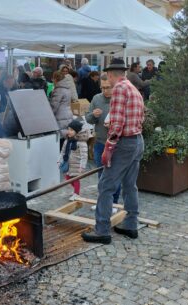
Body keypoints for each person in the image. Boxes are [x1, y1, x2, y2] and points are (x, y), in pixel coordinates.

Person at [82, 58, 144, 244]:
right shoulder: (133, 88)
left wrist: (109, 147)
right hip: (137, 140)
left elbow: (116, 123)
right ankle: (131, 225)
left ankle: (101, 230)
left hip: (124, 143)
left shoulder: (118, 89)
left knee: (106, 186)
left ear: (110, 75)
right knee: (129, 186)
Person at [86, 74, 122, 204]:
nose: (105, 90)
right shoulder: (96, 98)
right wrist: (93, 115)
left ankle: (114, 202)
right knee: (101, 174)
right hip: (100, 142)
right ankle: (103, 201)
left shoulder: (119, 99)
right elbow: (88, 118)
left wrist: (114, 123)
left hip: (116, 143)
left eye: (108, 87)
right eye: (102, 88)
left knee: (114, 175)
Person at [59, 120, 89, 200]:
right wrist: (60, 160)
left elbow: (84, 155)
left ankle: (76, 193)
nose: (69, 131)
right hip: (69, 163)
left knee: (75, 179)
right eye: (68, 129)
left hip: (77, 164)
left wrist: (82, 166)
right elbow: (63, 151)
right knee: (68, 177)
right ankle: (76, 191)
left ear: (77, 131)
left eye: (72, 130)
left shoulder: (81, 143)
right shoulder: (67, 140)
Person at [50, 71, 74, 137]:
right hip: (68, 115)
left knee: (60, 139)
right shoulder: (67, 88)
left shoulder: (58, 90)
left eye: (53, 78)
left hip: (60, 118)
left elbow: (53, 107)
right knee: (66, 137)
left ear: (56, 79)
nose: (52, 80)